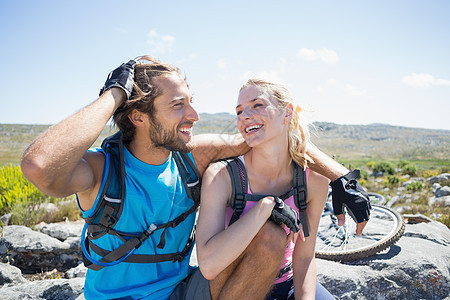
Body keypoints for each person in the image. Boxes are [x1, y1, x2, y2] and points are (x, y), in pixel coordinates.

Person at [21, 56, 370, 299]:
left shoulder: (191, 158)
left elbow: (269, 138)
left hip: (186, 291)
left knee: (270, 236)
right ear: (138, 116)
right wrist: (114, 95)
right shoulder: (102, 172)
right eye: (178, 106)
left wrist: (340, 177)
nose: (195, 115)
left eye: (191, 102)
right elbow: (39, 166)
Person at [196, 79, 337, 299]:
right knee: (270, 233)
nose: (244, 116)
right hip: (236, 283)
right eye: (239, 111)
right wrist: (265, 208)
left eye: (258, 105)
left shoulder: (314, 180)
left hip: (286, 281)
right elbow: (209, 265)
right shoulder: (223, 176)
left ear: (287, 112)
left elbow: (304, 257)